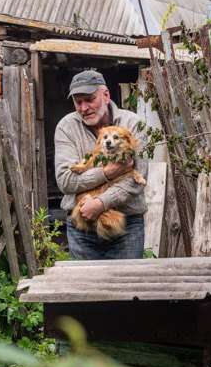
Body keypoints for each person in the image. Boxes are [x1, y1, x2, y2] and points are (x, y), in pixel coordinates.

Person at [54, 70, 148, 260]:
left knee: (128, 285)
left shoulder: (133, 124)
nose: (83, 108)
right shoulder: (67, 127)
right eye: (77, 102)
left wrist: (100, 203)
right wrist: (108, 172)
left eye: (89, 99)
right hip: (82, 226)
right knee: (85, 288)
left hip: (126, 226)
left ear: (106, 95)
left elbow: (136, 180)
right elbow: (66, 181)